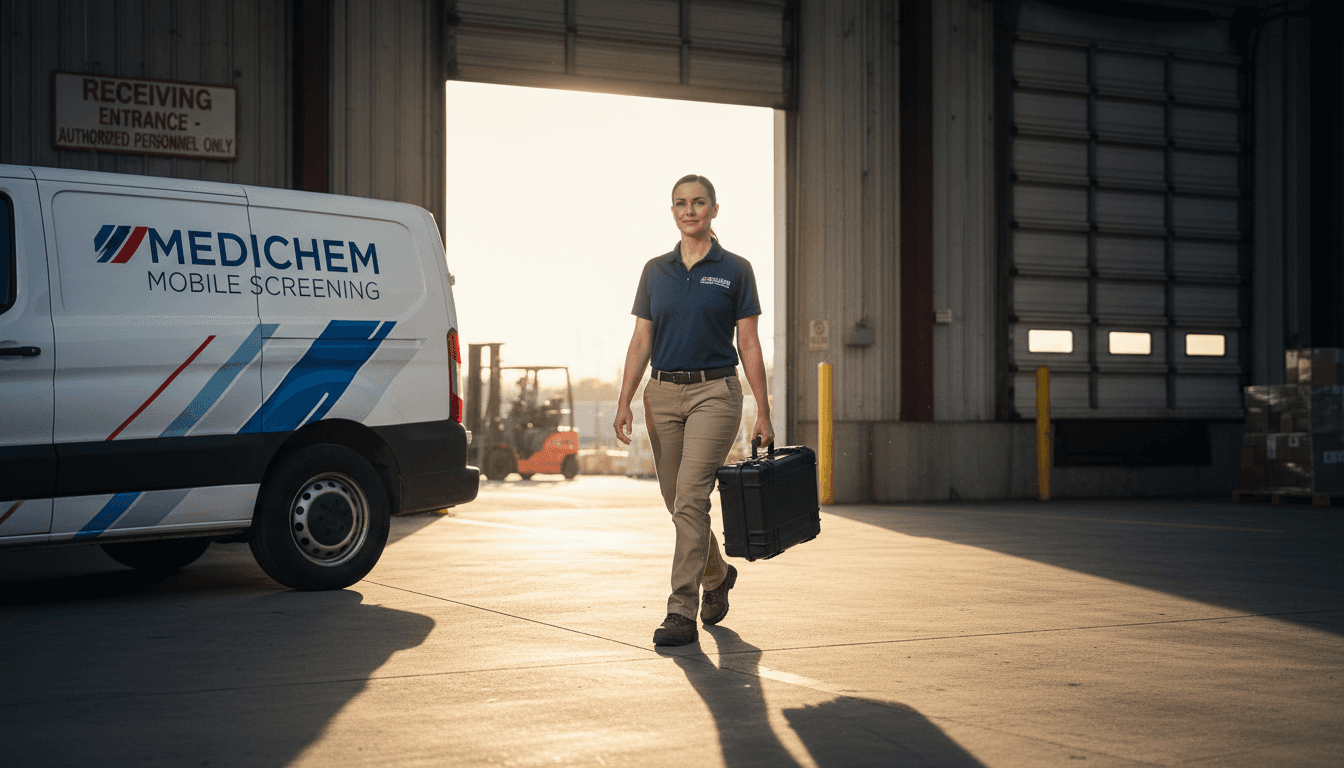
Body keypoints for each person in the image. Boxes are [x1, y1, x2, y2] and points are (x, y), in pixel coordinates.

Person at [613, 174, 774, 647]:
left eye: (699, 202)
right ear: (673, 212)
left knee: (690, 500)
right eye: (681, 204)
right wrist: (624, 398)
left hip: (715, 394)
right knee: (677, 502)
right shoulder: (655, 270)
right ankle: (717, 574)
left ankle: (680, 609)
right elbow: (642, 338)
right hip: (661, 395)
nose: (690, 210)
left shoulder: (736, 269)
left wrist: (763, 411)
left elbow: (748, 341)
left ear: (714, 210)